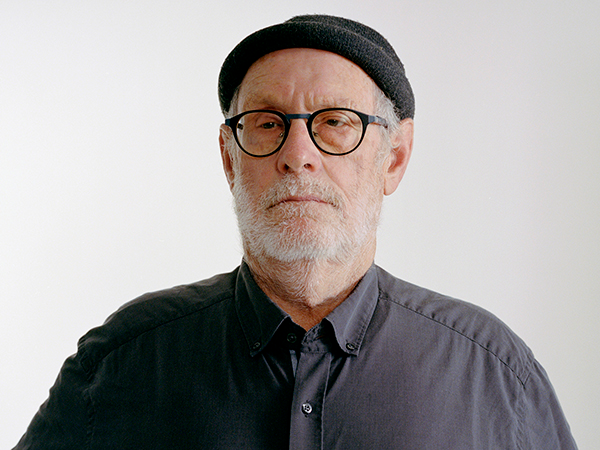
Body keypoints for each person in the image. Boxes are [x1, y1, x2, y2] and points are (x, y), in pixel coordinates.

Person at [14, 14, 577, 450]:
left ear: (395, 158)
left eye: (335, 122)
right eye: (267, 124)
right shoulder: (123, 364)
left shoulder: (495, 377)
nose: (298, 154)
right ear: (230, 159)